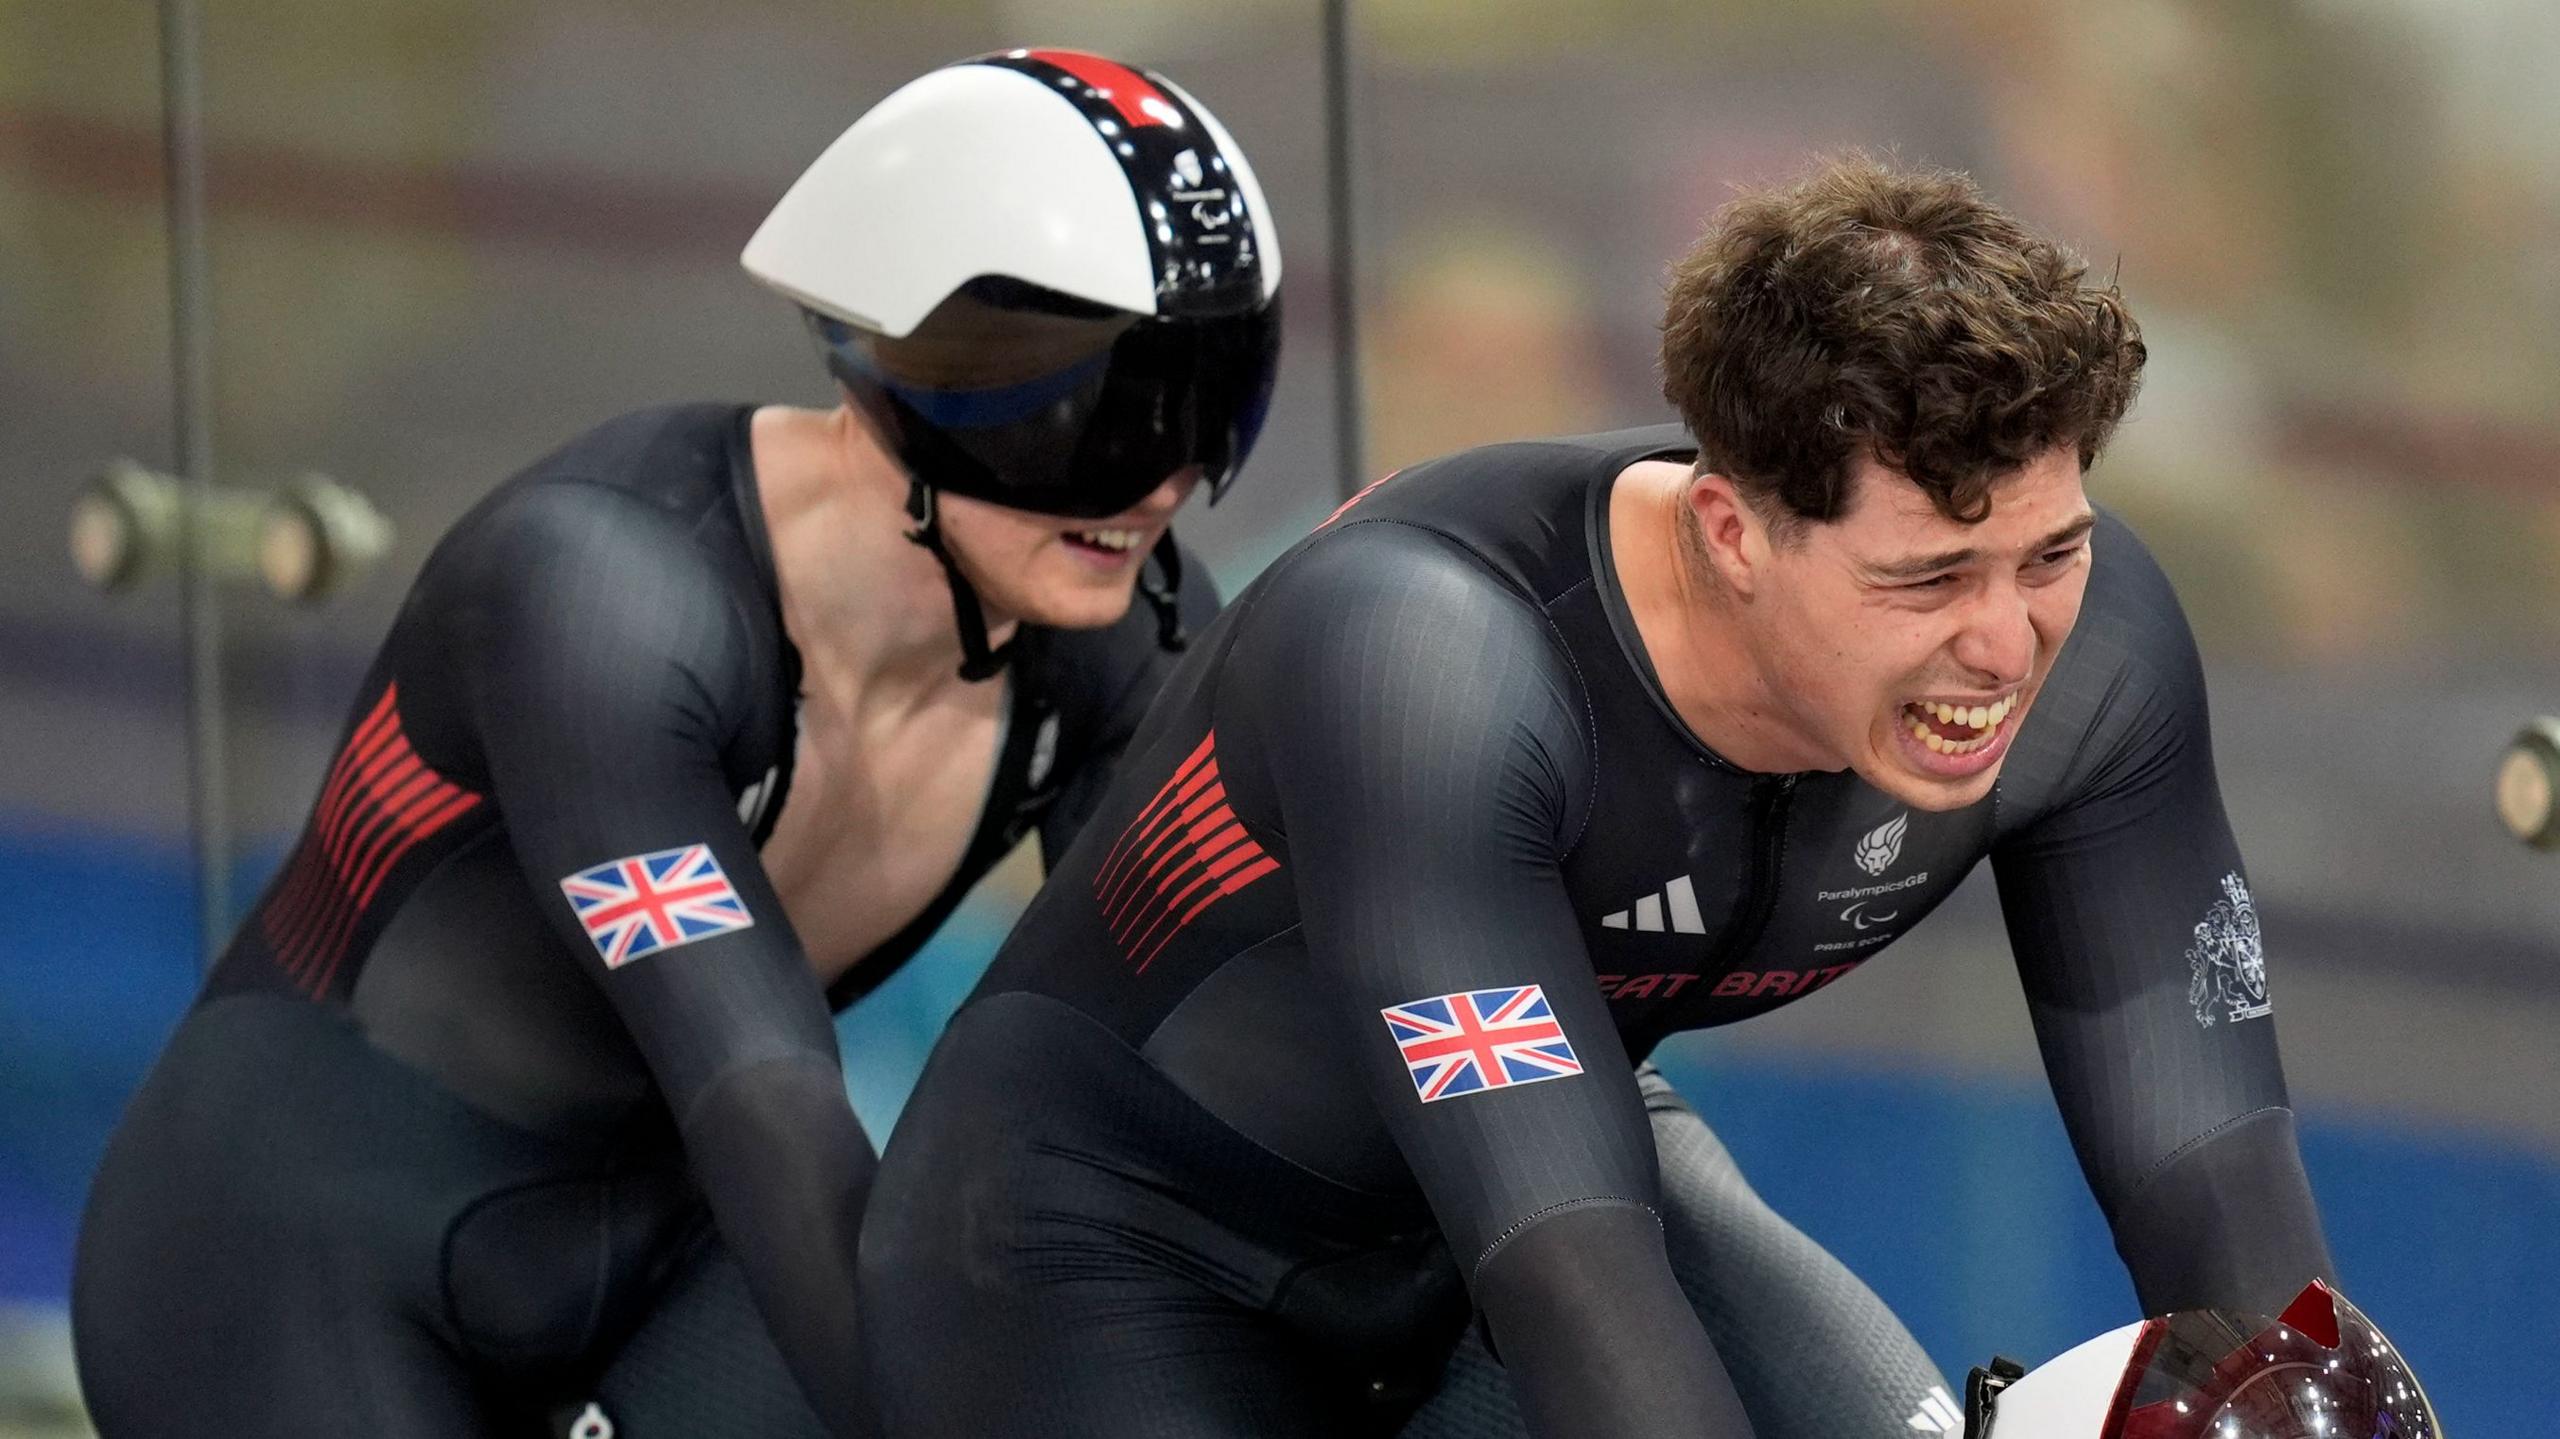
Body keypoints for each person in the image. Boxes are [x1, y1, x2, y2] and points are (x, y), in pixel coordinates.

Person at [855, 155, 2338, 1439]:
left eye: (2049, 557)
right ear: (1730, 528)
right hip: (1104, 1245)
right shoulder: (1428, 658)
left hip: (1550, 1168)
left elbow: (2208, 1174)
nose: (2007, 647)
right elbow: (1571, 1285)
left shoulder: (2104, 644)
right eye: (1928, 578)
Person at [69, 48, 1275, 1439]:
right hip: (291, 1239)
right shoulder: (601, 594)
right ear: (907, 379)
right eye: (1110, 411)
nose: (1166, 478)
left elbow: (1183, 1075)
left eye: (1215, 399)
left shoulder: (1114, 640)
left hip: (656, 1236)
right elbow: (755, 1090)